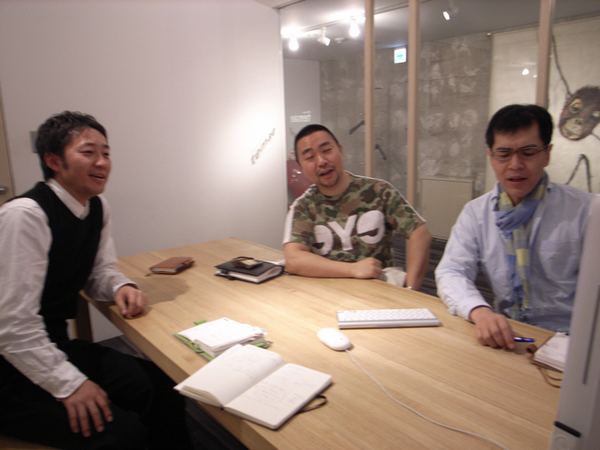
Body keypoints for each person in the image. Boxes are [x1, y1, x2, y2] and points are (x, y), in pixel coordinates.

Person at [0, 111, 194, 449]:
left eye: (106, 153)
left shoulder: (97, 206)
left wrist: (120, 286)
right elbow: (12, 326)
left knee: (163, 388)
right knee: (122, 435)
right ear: (53, 161)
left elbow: (98, 272)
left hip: (52, 344)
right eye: (88, 152)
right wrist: (69, 384)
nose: (102, 162)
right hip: (8, 367)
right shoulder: (25, 216)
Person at [435, 104, 595, 349]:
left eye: (528, 152)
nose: (515, 164)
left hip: (572, 343)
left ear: (547, 154)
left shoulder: (586, 210)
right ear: (491, 157)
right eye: (504, 154)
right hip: (508, 336)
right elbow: (451, 271)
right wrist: (480, 312)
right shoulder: (477, 213)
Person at [283, 124, 432, 290]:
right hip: (328, 292)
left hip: (379, 291)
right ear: (301, 168)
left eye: (326, 150)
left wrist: (410, 290)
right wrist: (353, 269)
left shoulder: (379, 191)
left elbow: (420, 233)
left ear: (340, 150)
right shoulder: (303, 206)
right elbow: (294, 259)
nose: (321, 161)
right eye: (310, 157)